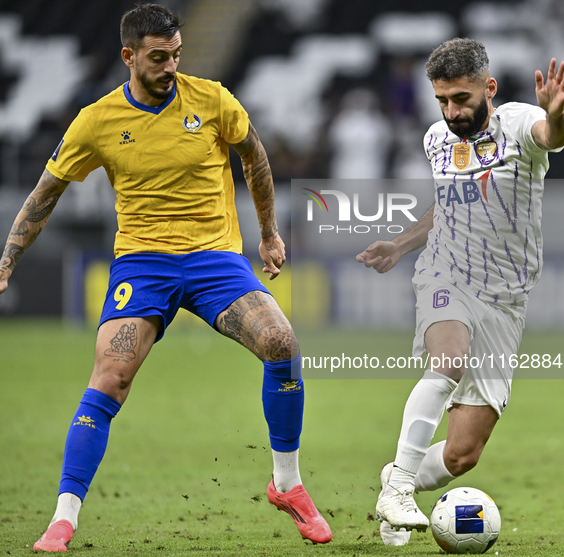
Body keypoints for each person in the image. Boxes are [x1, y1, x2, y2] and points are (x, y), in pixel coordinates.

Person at [0, 4, 331, 552]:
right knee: (110, 379)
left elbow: (255, 156)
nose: (171, 65)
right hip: (143, 262)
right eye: (158, 57)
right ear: (129, 56)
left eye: (176, 54)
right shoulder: (96, 120)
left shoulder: (213, 98)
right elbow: (45, 192)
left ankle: (287, 484)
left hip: (214, 257)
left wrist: (269, 232)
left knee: (282, 343)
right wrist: (9, 256)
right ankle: (63, 518)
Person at [356, 38, 564, 546]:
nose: (452, 111)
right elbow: (447, 206)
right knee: (447, 362)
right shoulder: (437, 138)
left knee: (462, 455)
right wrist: (401, 245)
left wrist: (557, 116)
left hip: (505, 300)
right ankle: (402, 490)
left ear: (488, 88)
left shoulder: (520, 123)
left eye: (461, 99)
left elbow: (551, 135)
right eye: (442, 101)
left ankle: (396, 476)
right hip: (446, 275)